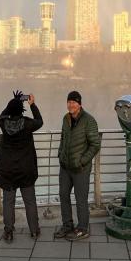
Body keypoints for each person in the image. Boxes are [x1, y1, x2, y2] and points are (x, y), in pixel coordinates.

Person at [0, 91, 43, 242]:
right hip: (26, 170)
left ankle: (8, 231)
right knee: (30, 201)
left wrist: (13, 102)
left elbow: (1, 116)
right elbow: (40, 121)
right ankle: (34, 230)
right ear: (21, 111)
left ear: (9, 110)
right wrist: (32, 104)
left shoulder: (4, 124)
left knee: (8, 202)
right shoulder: (27, 124)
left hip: (8, 171)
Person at [55, 90, 100, 241]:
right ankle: (67, 225)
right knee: (63, 195)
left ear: (79, 104)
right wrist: (60, 154)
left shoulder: (89, 120)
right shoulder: (66, 119)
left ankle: (82, 228)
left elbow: (95, 144)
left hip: (80, 169)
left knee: (81, 199)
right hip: (65, 167)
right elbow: (63, 137)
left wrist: (82, 161)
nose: (70, 105)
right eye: (69, 102)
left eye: (74, 102)